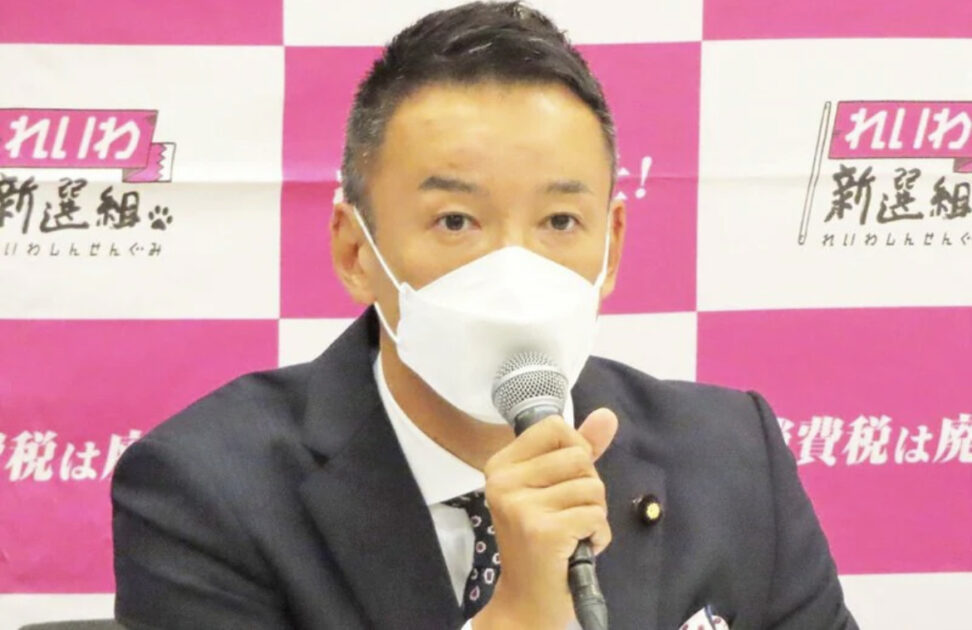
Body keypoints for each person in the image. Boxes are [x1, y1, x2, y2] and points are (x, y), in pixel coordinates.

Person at [110, 2, 859, 628]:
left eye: (560, 222)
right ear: (354, 249)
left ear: (612, 246)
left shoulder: (733, 459)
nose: (513, 272)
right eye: (456, 222)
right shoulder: (205, 492)